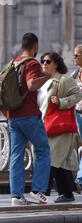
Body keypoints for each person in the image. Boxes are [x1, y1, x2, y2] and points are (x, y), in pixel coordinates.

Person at [6, 33, 52, 206]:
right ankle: (37, 191)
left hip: (13, 116)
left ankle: (16, 196)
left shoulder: (13, 62)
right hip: (29, 115)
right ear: (35, 47)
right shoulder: (31, 63)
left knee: (16, 155)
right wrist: (47, 76)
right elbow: (32, 84)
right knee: (43, 149)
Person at [38, 52, 82, 203]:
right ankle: (67, 193)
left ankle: (42, 192)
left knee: (52, 159)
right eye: (42, 61)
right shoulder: (42, 82)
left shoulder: (64, 79)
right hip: (46, 125)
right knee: (58, 161)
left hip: (60, 127)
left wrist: (61, 102)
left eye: (47, 61)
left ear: (56, 64)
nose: (44, 64)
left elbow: (77, 95)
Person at [71, 45, 82, 194]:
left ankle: (80, 178)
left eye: (77, 55)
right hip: (77, 114)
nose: (74, 58)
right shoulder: (75, 74)